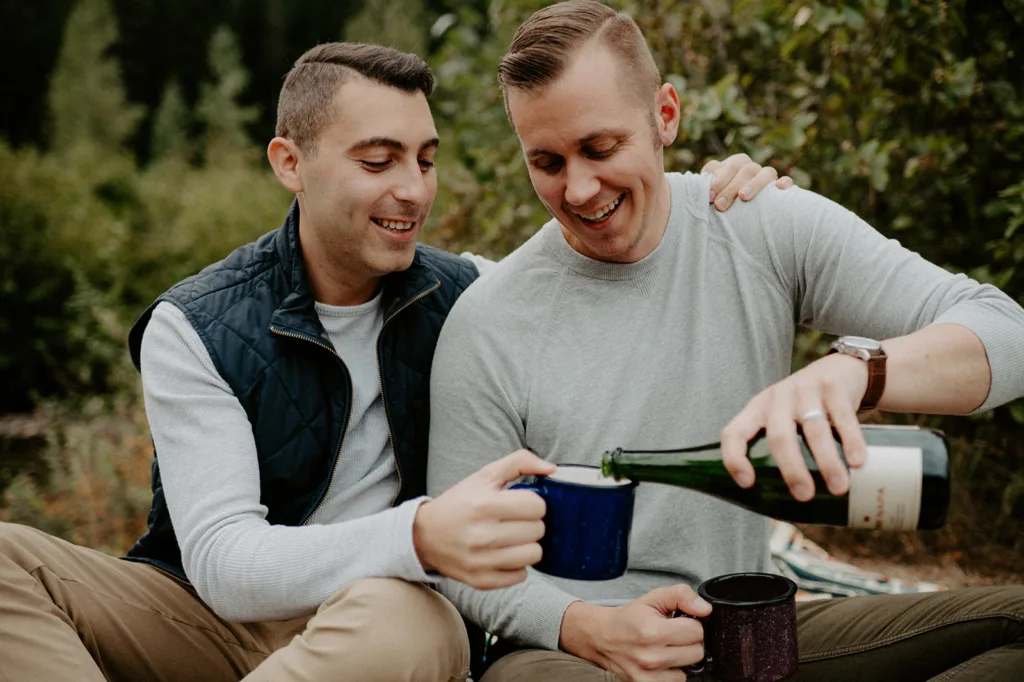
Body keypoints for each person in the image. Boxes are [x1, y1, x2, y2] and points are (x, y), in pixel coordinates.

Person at [0, 41, 786, 682]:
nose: (413, 190)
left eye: (426, 159)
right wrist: (420, 534)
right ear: (289, 162)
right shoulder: (197, 325)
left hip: (386, 630)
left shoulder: (474, 295)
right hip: (208, 626)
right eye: (378, 162)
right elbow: (223, 564)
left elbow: (607, 260)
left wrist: (717, 201)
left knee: (408, 615)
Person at [425, 2, 1024, 681]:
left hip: (749, 630)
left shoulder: (757, 226)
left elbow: (1008, 334)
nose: (580, 188)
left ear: (666, 116)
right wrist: (586, 627)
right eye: (547, 162)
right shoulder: (490, 322)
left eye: (600, 149)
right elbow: (459, 558)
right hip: (573, 653)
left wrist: (859, 370)